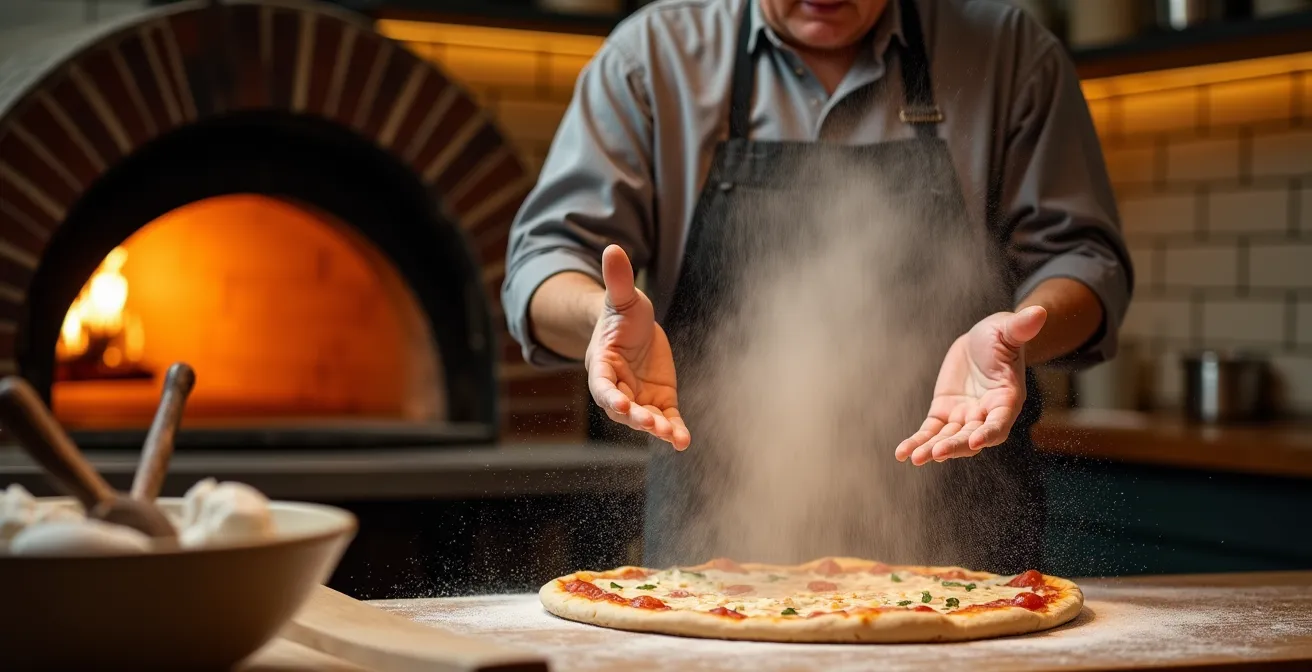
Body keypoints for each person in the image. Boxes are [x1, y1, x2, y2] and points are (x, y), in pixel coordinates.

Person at [501, 0, 1132, 573]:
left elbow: (1084, 261)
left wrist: (1020, 330)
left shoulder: (1010, 52)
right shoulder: (651, 58)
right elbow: (543, 261)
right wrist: (598, 317)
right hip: (714, 547)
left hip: (964, 544)